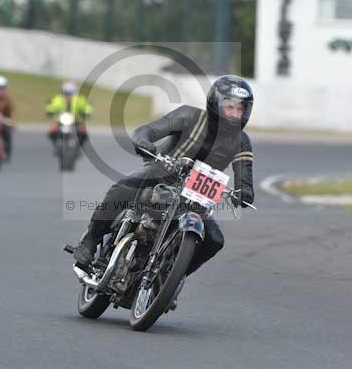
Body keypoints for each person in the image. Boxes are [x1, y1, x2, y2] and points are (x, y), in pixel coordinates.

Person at [73, 75, 255, 278]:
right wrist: (143, 141)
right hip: (160, 174)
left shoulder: (241, 141)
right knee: (124, 188)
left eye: (241, 109)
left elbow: (245, 176)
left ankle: (169, 278)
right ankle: (90, 240)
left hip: (195, 198)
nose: (235, 114)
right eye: (229, 107)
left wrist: (245, 192)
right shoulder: (189, 116)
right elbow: (147, 130)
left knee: (215, 241)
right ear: (214, 104)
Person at [46, 82, 93, 148]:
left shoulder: (79, 100)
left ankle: (79, 146)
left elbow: (86, 106)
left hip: (76, 119)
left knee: (83, 132)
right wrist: (50, 111)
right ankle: (56, 144)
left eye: (70, 93)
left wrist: (87, 112)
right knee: (52, 130)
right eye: (66, 93)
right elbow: (52, 105)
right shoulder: (58, 99)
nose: (68, 96)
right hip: (61, 119)